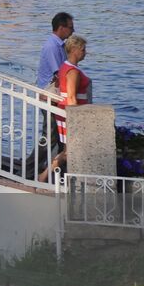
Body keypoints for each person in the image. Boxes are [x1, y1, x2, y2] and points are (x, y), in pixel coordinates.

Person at [39, 35, 92, 182]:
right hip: (70, 114)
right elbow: (71, 97)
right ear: (74, 50)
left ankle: (44, 177)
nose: (85, 52)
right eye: (83, 49)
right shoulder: (72, 71)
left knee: (67, 150)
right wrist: (77, 119)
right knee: (70, 150)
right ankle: (45, 177)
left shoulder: (65, 66)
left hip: (64, 113)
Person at [36, 13, 74, 88]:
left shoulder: (58, 44)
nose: (73, 30)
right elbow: (58, 73)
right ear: (61, 28)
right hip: (49, 91)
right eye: (70, 27)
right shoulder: (52, 46)